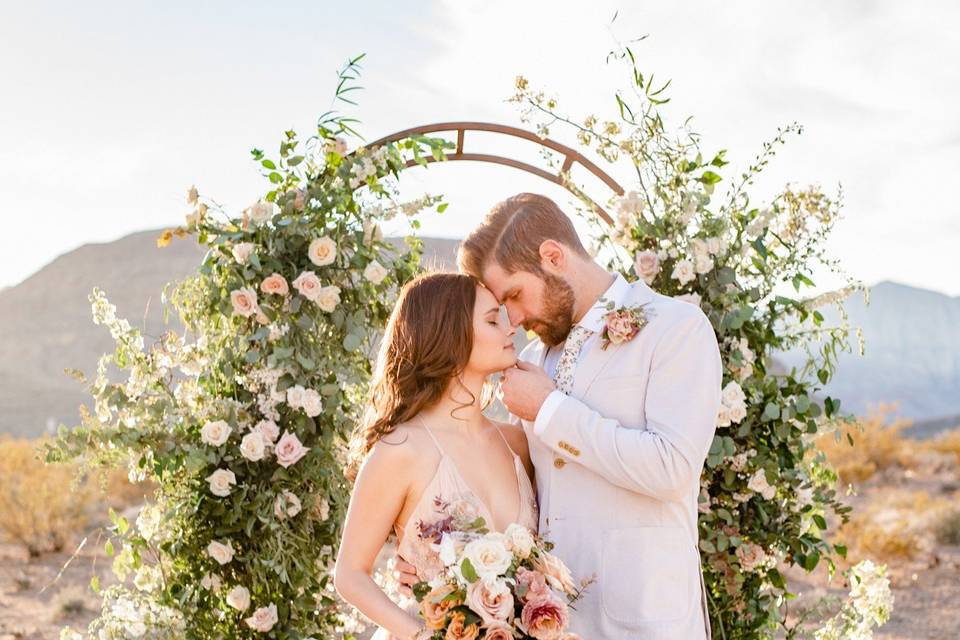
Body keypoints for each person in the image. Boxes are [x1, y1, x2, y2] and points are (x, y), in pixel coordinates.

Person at [397, 192, 723, 639]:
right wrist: (438, 557)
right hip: (547, 623)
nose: (511, 318)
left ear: (553, 256)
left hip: (645, 621)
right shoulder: (536, 356)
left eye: (513, 294)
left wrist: (549, 409)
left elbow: (673, 469)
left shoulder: (675, 329)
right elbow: (515, 483)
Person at [333, 271, 538, 640]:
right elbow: (349, 573)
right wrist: (419, 634)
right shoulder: (401, 449)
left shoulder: (518, 445)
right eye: (492, 320)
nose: (510, 330)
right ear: (450, 334)